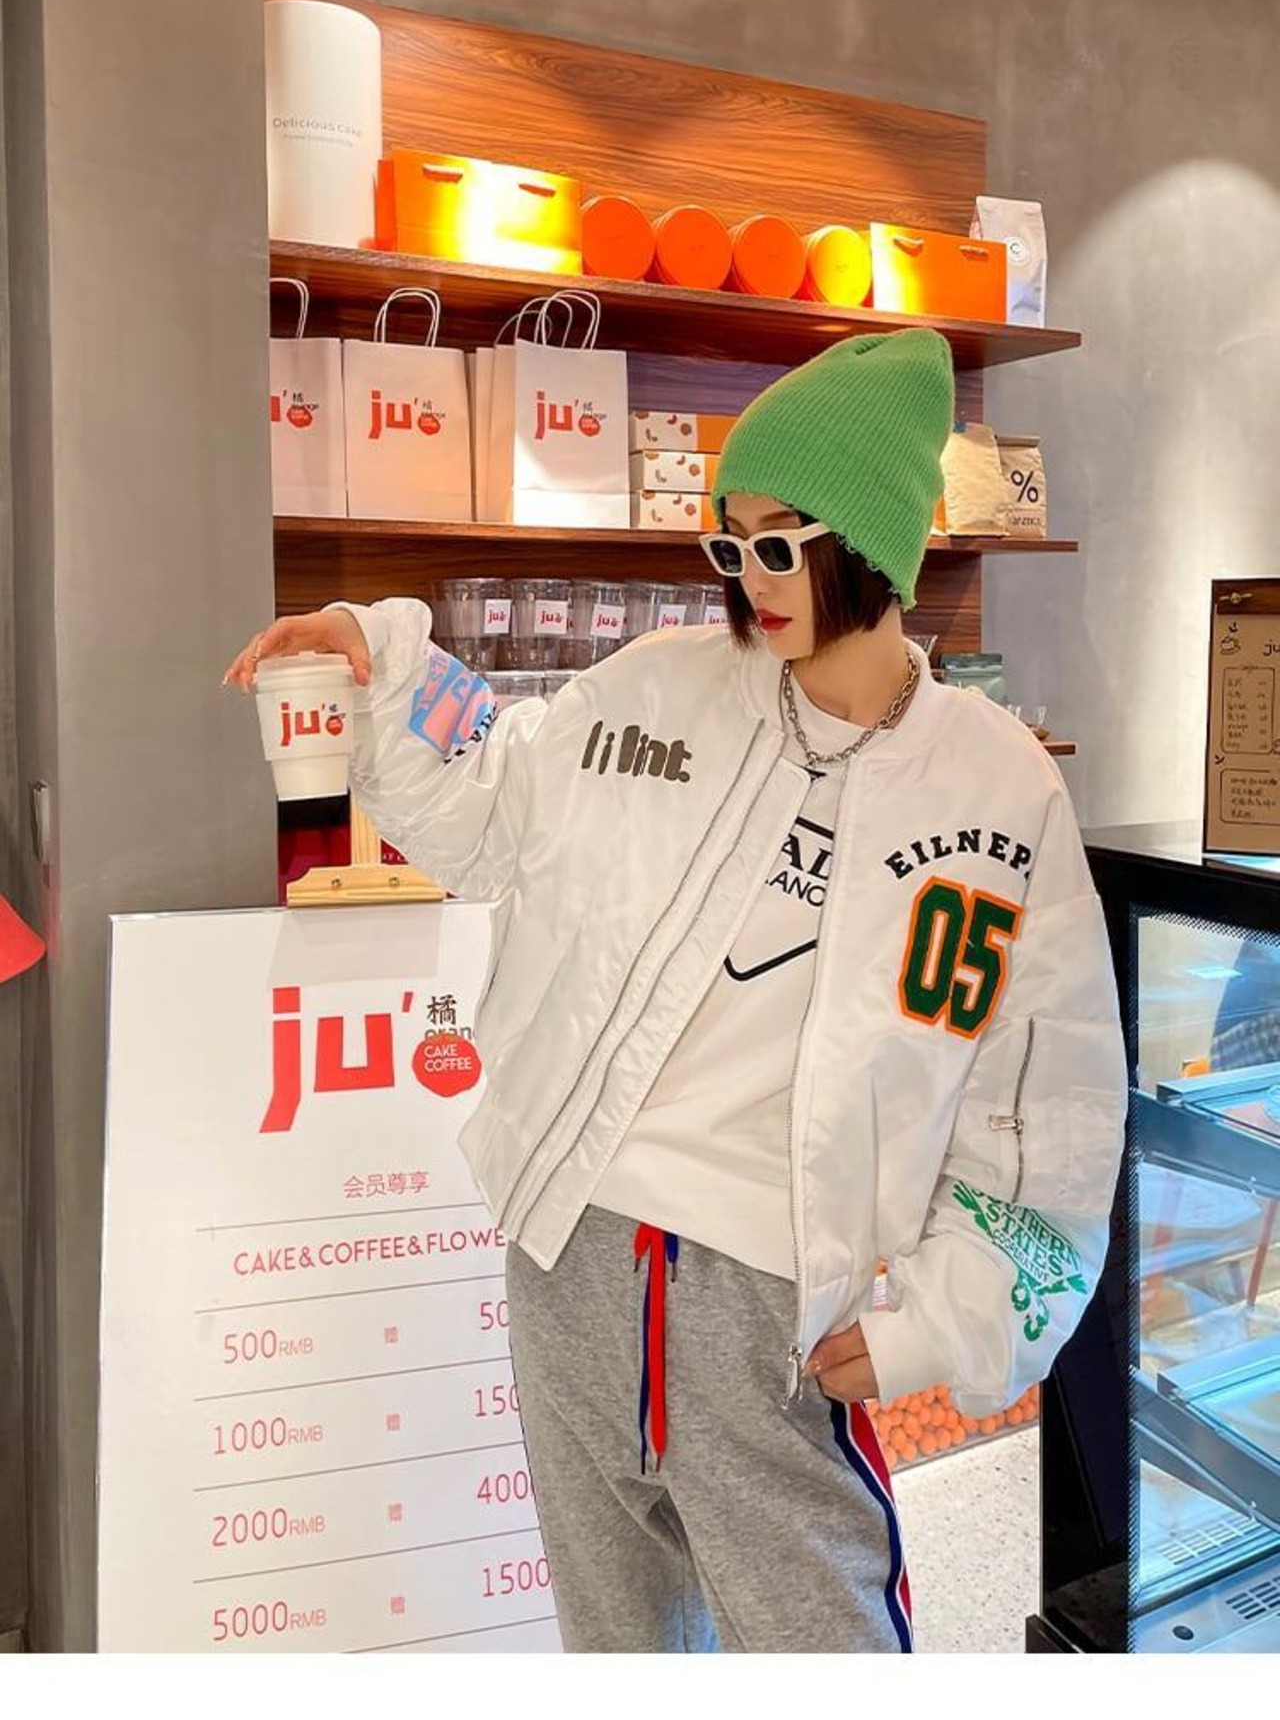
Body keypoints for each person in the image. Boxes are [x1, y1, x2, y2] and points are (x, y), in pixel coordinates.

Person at [225, 329, 1127, 1653]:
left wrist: (948, 1314)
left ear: (873, 538)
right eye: (731, 543)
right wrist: (377, 654)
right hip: (573, 1244)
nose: (751, 580)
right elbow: (498, 799)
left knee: (818, 1638)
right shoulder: (657, 692)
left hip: (773, 1292)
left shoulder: (996, 788)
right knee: (617, 1633)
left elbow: (1043, 1092)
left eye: (782, 545)